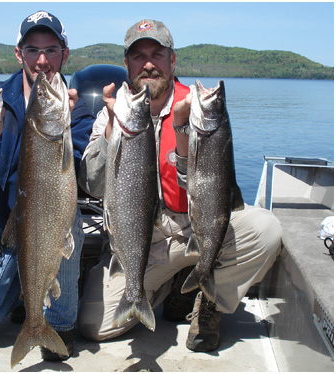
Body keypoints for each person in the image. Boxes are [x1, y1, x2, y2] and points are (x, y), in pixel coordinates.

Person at [77, 19, 283, 352]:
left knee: (266, 229)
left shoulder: (199, 109)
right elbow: (95, 185)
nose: (148, 64)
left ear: (173, 61)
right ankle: (166, 288)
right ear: (127, 64)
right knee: (93, 327)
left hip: (194, 227)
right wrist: (110, 132)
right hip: (144, 243)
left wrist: (185, 131)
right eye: (138, 56)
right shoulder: (113, 110)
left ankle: (211, 301)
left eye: (157, 55)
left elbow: (211, 186)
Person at [0, 10, 94, 361]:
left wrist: (72, 127)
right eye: (32, 50)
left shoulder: (79, 109)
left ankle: (57, 324)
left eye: (51, 50)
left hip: (47, 231)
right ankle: (19, 291)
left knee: (68, 219)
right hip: (0, 236)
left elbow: (85, 174)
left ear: (65, 54)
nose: (42, 60)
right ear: (18, 53)